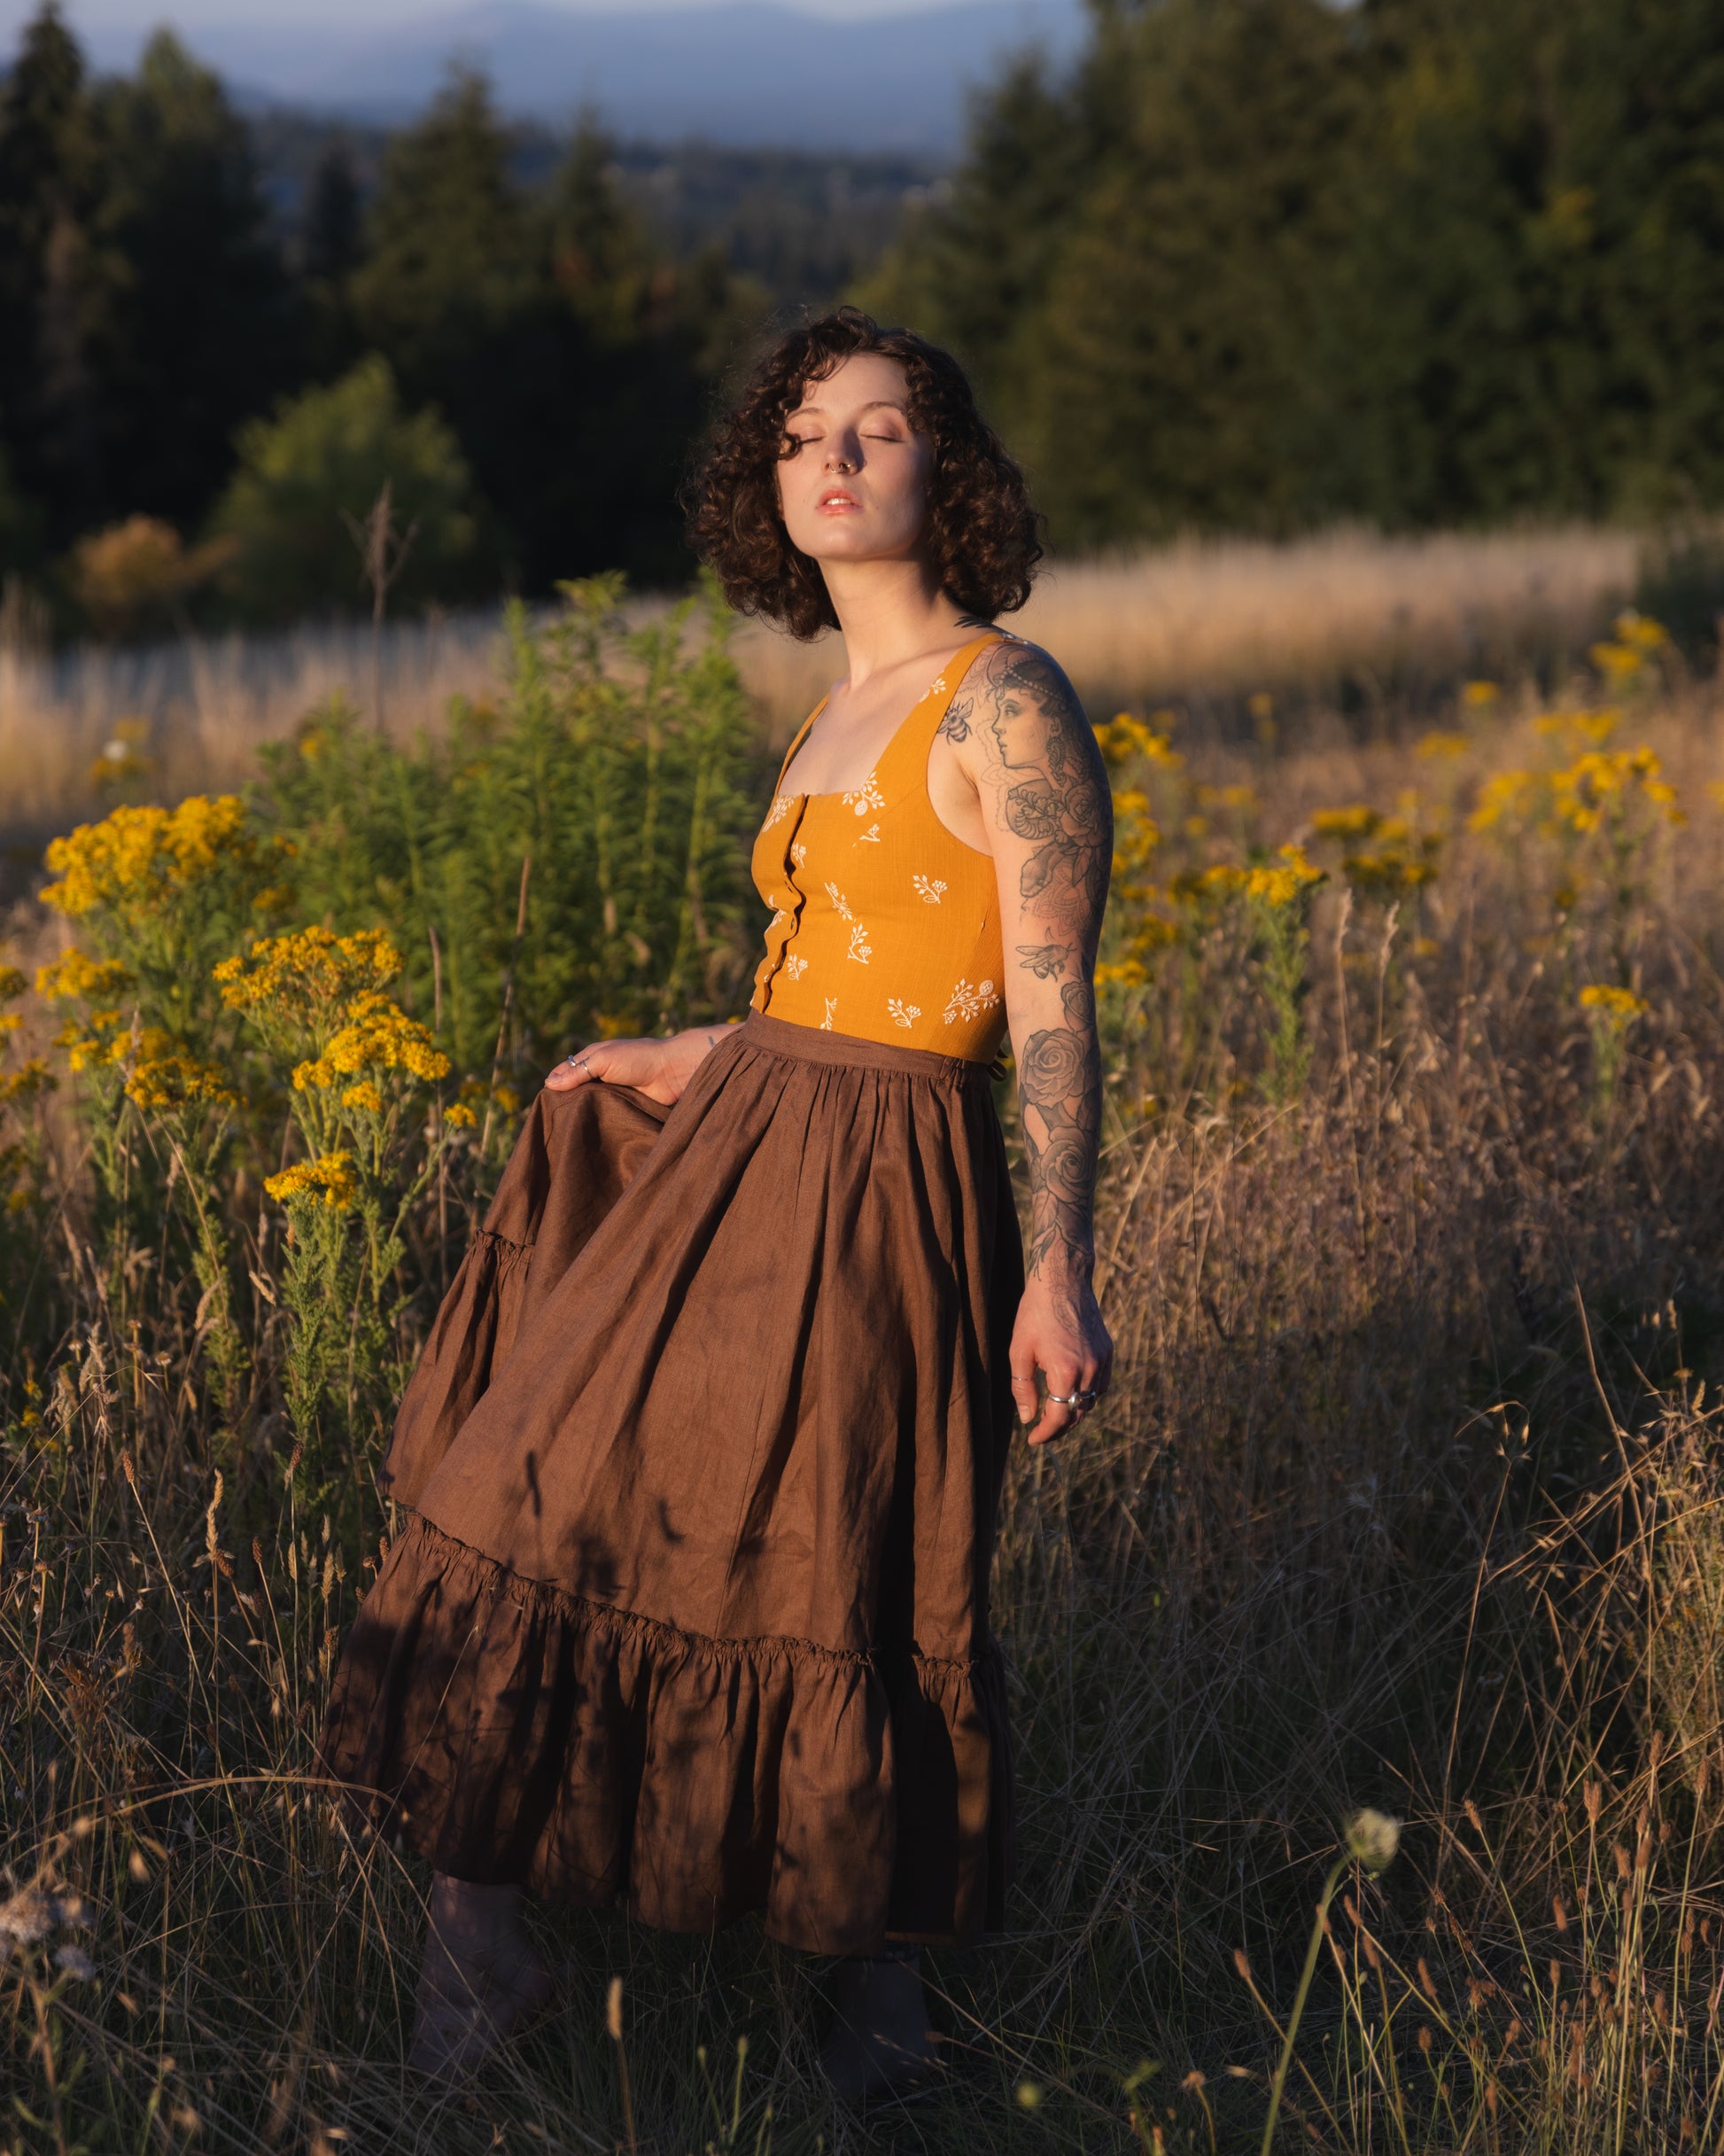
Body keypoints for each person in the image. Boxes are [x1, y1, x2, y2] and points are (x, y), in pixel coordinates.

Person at [317, 305, 1114, 2098]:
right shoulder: (843, 705)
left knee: (856, 1568)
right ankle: (486, 1951)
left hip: (888, 1179)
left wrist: (1057, 1262)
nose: (831, 459)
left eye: (877, 428)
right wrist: (692, 1045)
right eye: (799, 436)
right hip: (753, 1134)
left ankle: (883, 2023)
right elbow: (833, 969)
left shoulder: (1007, 696)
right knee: (519, 1487)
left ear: (948, 469)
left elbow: (1045, 1005)